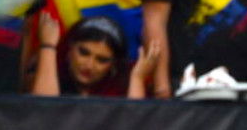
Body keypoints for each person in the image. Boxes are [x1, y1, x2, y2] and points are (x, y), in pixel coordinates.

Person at [30, 14, 160, 99]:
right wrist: (48, 47)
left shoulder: (122, 89)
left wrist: (137, 79)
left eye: (102, 60)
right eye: (84, 53)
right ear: (70, 49)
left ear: (114, 64)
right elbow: (44, 113)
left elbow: (135, 129)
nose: (89, 65)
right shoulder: (48, 78)